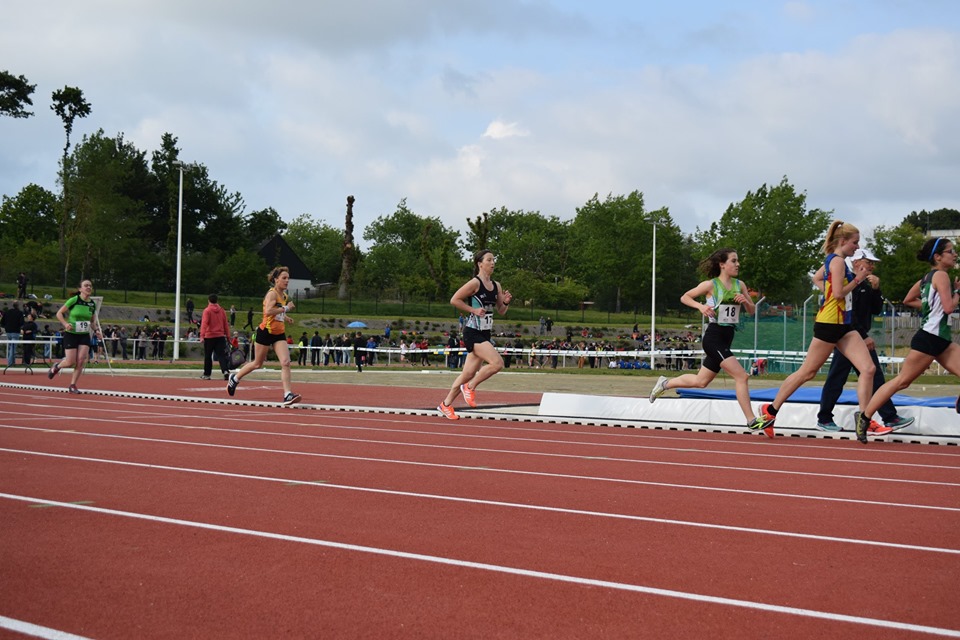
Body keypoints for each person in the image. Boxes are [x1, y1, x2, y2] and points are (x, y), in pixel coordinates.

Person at [756, 221, 879, 437]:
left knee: (868, 369)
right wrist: (858, 279)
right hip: (829, 324)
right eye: (855, 242)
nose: (857, 247)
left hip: (844, 324)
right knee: (807, 372)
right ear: (843, 241)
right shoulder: (837, 261)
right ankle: (771, 410)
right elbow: (839, 293)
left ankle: (864, 417)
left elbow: (821, 280)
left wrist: (829, 292)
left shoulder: (835, 260)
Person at [649, 248, 767, 431]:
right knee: (741, 376)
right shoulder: (711, 285)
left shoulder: (740, 285)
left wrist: (745, 301)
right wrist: (701, 306)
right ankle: (751, 420)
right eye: (734, 261)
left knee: (701, 381)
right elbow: (685, 297)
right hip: (714, 337)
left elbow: (752, 311)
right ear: (722, 264)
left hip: (727, 336)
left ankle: (665, 383)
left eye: (738, 261)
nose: (738, 264)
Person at [855, 237, 960, 442]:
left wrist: (932, 307)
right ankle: (865, 417)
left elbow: (908, 300)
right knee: (901, 382)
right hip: (930, 339)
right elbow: (949, 308)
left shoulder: (926, 278)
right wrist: (957, 293)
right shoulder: (941, 276)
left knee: (901, 381)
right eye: (951, 251)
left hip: (941, 339)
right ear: (938, 257)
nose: (955, 254)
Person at [812, 248, 914, 433]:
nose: (872, 266)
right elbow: (849, 314)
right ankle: (825, 418)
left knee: (872, 376)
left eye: (872, 263)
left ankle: (887, 416)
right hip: (847, 335)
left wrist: (876, 290)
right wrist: (863, 336)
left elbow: (875, 310)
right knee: (837, 378)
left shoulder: (866, 285)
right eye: (868, 262)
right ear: (857, 262)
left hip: (856, 336)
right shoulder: (848, 281)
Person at [438, 249, 513, 420]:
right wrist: (473, 309)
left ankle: (446, 404)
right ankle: (470, 387)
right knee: (497, 363)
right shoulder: (475, 283)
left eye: (493, 260)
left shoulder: (496, 285)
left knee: (467, 374)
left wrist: (506, 302)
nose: (492, 263)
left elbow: (501, 310)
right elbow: (454, 300)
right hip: (472, 332)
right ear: (480, 264)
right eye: (489, 260)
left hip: (485, 333)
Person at [227, 267, 301, 405]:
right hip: (265, 332)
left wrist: (286, 317)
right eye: (284, 278)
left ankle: (287, 394)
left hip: (279, 333)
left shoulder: (284, 296)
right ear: (276, 280)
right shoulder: (272, 294)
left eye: (288, 278)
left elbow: (278, 313)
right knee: (257, 364)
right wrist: (286, 308)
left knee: (286, 362)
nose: (287, 281)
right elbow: (268, 311)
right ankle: (235, 378)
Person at [47, 279, 101, 394]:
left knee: (81, 360)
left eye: (90, 286)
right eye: (86, 285)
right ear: (80, 289)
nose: (88, 287)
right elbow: (59, 313)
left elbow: (92, 322)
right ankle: (57, 366)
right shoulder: (74, 300)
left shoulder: (92, 304)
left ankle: (72, 385)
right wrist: (66, 324)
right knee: (70, 362)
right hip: (71, 334)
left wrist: (96, 330)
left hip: (84, 335)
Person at [200, 293, 231, 380]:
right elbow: (225, 324)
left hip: (209, 336)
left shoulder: (207, 311)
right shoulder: (222, 310)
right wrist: (228, 336)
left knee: (208, 356)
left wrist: (202, 335)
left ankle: (207, 374)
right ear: (217, 301)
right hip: (220, 336)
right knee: (221, 355)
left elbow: (204, 323)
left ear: (208, 300)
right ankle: (225, 371)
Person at [2, 301, 24, 366]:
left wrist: (6, 327)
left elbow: (2, 322)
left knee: (10, 347)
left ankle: (12, 362)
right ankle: (9, 363)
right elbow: (22, 323)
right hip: (15, 332)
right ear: (18, 305)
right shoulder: (20, 313)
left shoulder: (7, 312)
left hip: (8, 332)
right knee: (13, 347)